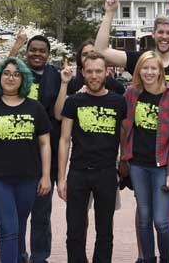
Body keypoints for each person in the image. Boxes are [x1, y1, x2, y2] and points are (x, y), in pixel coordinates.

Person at [95, 0, 169, 263]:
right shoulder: (140, 61)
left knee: (166, 210)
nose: (165, 37)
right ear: (154, 34)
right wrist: (110, 13)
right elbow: (101, 50)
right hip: (140, 154)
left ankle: (165, 254)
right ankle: (144, 256)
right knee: (143, 210)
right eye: (160, 32)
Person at [0, 57, 52, 263]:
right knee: (8, 230)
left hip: (28, 178)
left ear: (23, 79)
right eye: (6, 73)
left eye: (16, 74)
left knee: (20, 227)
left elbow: (45, 144)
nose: (11, 78)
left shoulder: (35, 108)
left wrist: (46, 176)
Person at [56, 49, 127, 263]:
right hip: (78, 172)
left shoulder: (118, 102)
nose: (94, 76)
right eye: (90, 71)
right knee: (75, 230)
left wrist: (124, 161)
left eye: (98, 71)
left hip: (106, 172)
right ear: (83, 73)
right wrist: (61, 178)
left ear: (107, 72)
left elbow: (125, 134)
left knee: (105, 231)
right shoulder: (74, 101)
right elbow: (64, 140)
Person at [120, 52, 169, 263]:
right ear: (139, 70)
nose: (149, 72)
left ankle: (165, 259)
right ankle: (149, 259)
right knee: (144, 219)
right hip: (138, 164)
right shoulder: (131, 93)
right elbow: (122, 120)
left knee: (161, 221)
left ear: (160, 71)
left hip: (162, 165)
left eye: (153, 68)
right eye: (144, 68)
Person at [16, 34, 62, 263]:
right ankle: (17, 254)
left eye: (42, 50)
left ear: (48, 54)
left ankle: (39, 256)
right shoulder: (17, 73)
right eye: (33, 50)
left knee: (42, 211)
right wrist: (14, 46)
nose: (37, 54)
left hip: (48, 153)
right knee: (18, 211)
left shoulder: (56, 75)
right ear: (27, 52)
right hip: (19, 152)